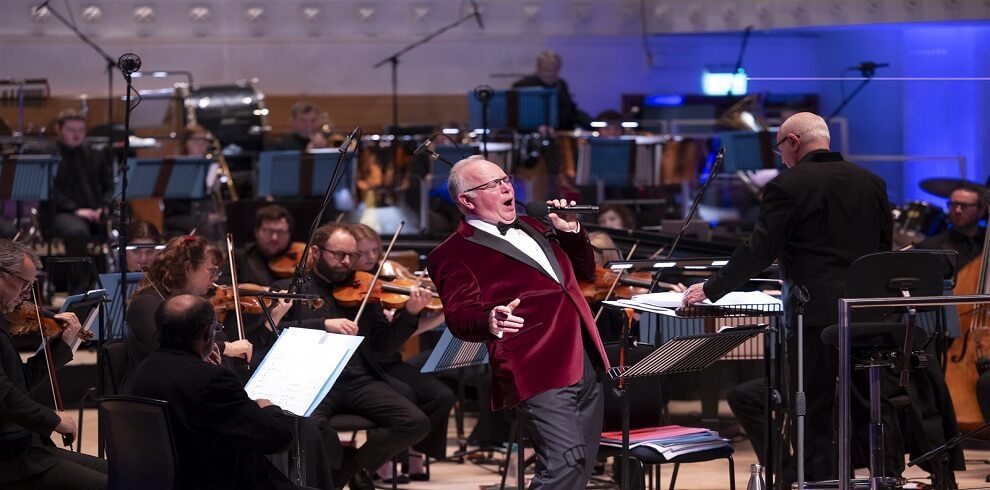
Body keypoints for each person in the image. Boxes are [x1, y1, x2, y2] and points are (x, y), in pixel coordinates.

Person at [682, 112, 893, 483]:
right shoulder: (872, 182)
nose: (780, 157)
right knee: (869, 405)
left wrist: (712, 288)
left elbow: (759, 250)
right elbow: (882, 254)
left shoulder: (788, 185)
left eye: (780, 148)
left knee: (812, 409)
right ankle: (883, 476)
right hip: (864, 315)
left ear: (793, 142)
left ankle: (816, 482)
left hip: (813, 316)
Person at [426, 156, 609, 489]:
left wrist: (571, 232)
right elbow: (458, 315)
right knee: (564, 464)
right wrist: (489, 320)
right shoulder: (451, 253)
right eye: (491, 184)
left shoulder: (537, 225)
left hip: (584, 356)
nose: (506, 187)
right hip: (535, 364)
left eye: (505, 179)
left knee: (581, 466)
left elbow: (584, 274)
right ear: (467, 200)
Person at [271, 223, 431, 490]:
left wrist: (410, 314)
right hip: (313, 383)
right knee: (309, 427)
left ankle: (349, 469)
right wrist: (323, 326)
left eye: (352, 256)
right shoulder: (290, 289)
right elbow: (274, 333)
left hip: (358, 380)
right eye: (338, 255)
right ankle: (343, 468)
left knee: (415, 422)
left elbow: (383, 346)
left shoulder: (364, 289)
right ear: (315, 252)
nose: (347, 262)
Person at [123, 294, 303, 490]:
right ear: (208, 336)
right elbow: (276, 439)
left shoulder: (142, 372)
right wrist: (268, 408)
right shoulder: (213, 381)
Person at [349, 223, 454, 482]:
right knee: (402, 395)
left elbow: (401, 336)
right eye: (363, 253)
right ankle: (384, 461)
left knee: (441, 395)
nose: (372, 257)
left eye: (376, 250)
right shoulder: (349, 290)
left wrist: (437, 319)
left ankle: (415, 453)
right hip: (365, 366)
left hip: (389, 360)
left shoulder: (388, 279)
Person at [0, 239, 107, 489]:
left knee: (118, 473)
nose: (28, 295)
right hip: (10, 461)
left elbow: (20, 382)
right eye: (24, 285)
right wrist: (53, 419)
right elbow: (4, 395)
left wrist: (62, 346)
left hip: (26, 449)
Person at [124, 235, 253, 376]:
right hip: (159, 393)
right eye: (211, 270)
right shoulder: (145, 304)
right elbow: (167, 351)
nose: (216, 277)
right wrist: (226, 348)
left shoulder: (196, 305)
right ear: (188, 268)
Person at [49, 110, 113, 293]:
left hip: (95, 211)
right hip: (63, 213)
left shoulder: (95, 154)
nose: (77, 134)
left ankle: (114, 285)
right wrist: (77, 210)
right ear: (58, 129)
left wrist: (104, 207)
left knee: (126, 223)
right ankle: (77, 290)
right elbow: (50, 192)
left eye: (81, 129)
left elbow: (109, 187)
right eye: (71, 129)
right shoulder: (50, 155)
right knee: (76, 231)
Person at [512, 51, 590, 130]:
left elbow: (571, 112)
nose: (550, 74)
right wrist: (535, 127)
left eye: (554, 70)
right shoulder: (523, 87)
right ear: (538, 67)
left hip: (560, 133)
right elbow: (517, 117)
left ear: (559, 68)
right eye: (546, 70)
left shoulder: (561, 85)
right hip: (531, 134)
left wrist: (594, 125)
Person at [917, 183, 987, 271]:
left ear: (981, 211)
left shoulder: (986, 241)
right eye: (953, 205)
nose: (957, 210)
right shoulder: (929, 248)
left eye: (964, 206)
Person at [237, 205, 296, 287]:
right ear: (256, 232)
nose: (274, 238)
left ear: (289, 234)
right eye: (269, 231)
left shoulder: (301, 258)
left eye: (280, 232)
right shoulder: (239, 257)